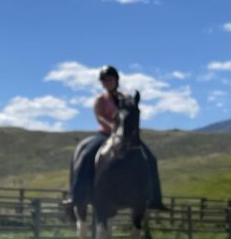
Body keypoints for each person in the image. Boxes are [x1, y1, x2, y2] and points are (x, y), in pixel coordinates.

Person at [68, 65, 166, 209]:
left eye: (110, 79)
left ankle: (155, 198)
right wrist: (113, 128)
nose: (107, 82)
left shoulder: (126, 98)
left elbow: (131, 114)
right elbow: (99, 117)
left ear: (116, 80)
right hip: (105, 134)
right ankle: (76, 194)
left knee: (150, 158)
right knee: (86, 154)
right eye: (104, 80)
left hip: (126, 136)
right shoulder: (100, 100)